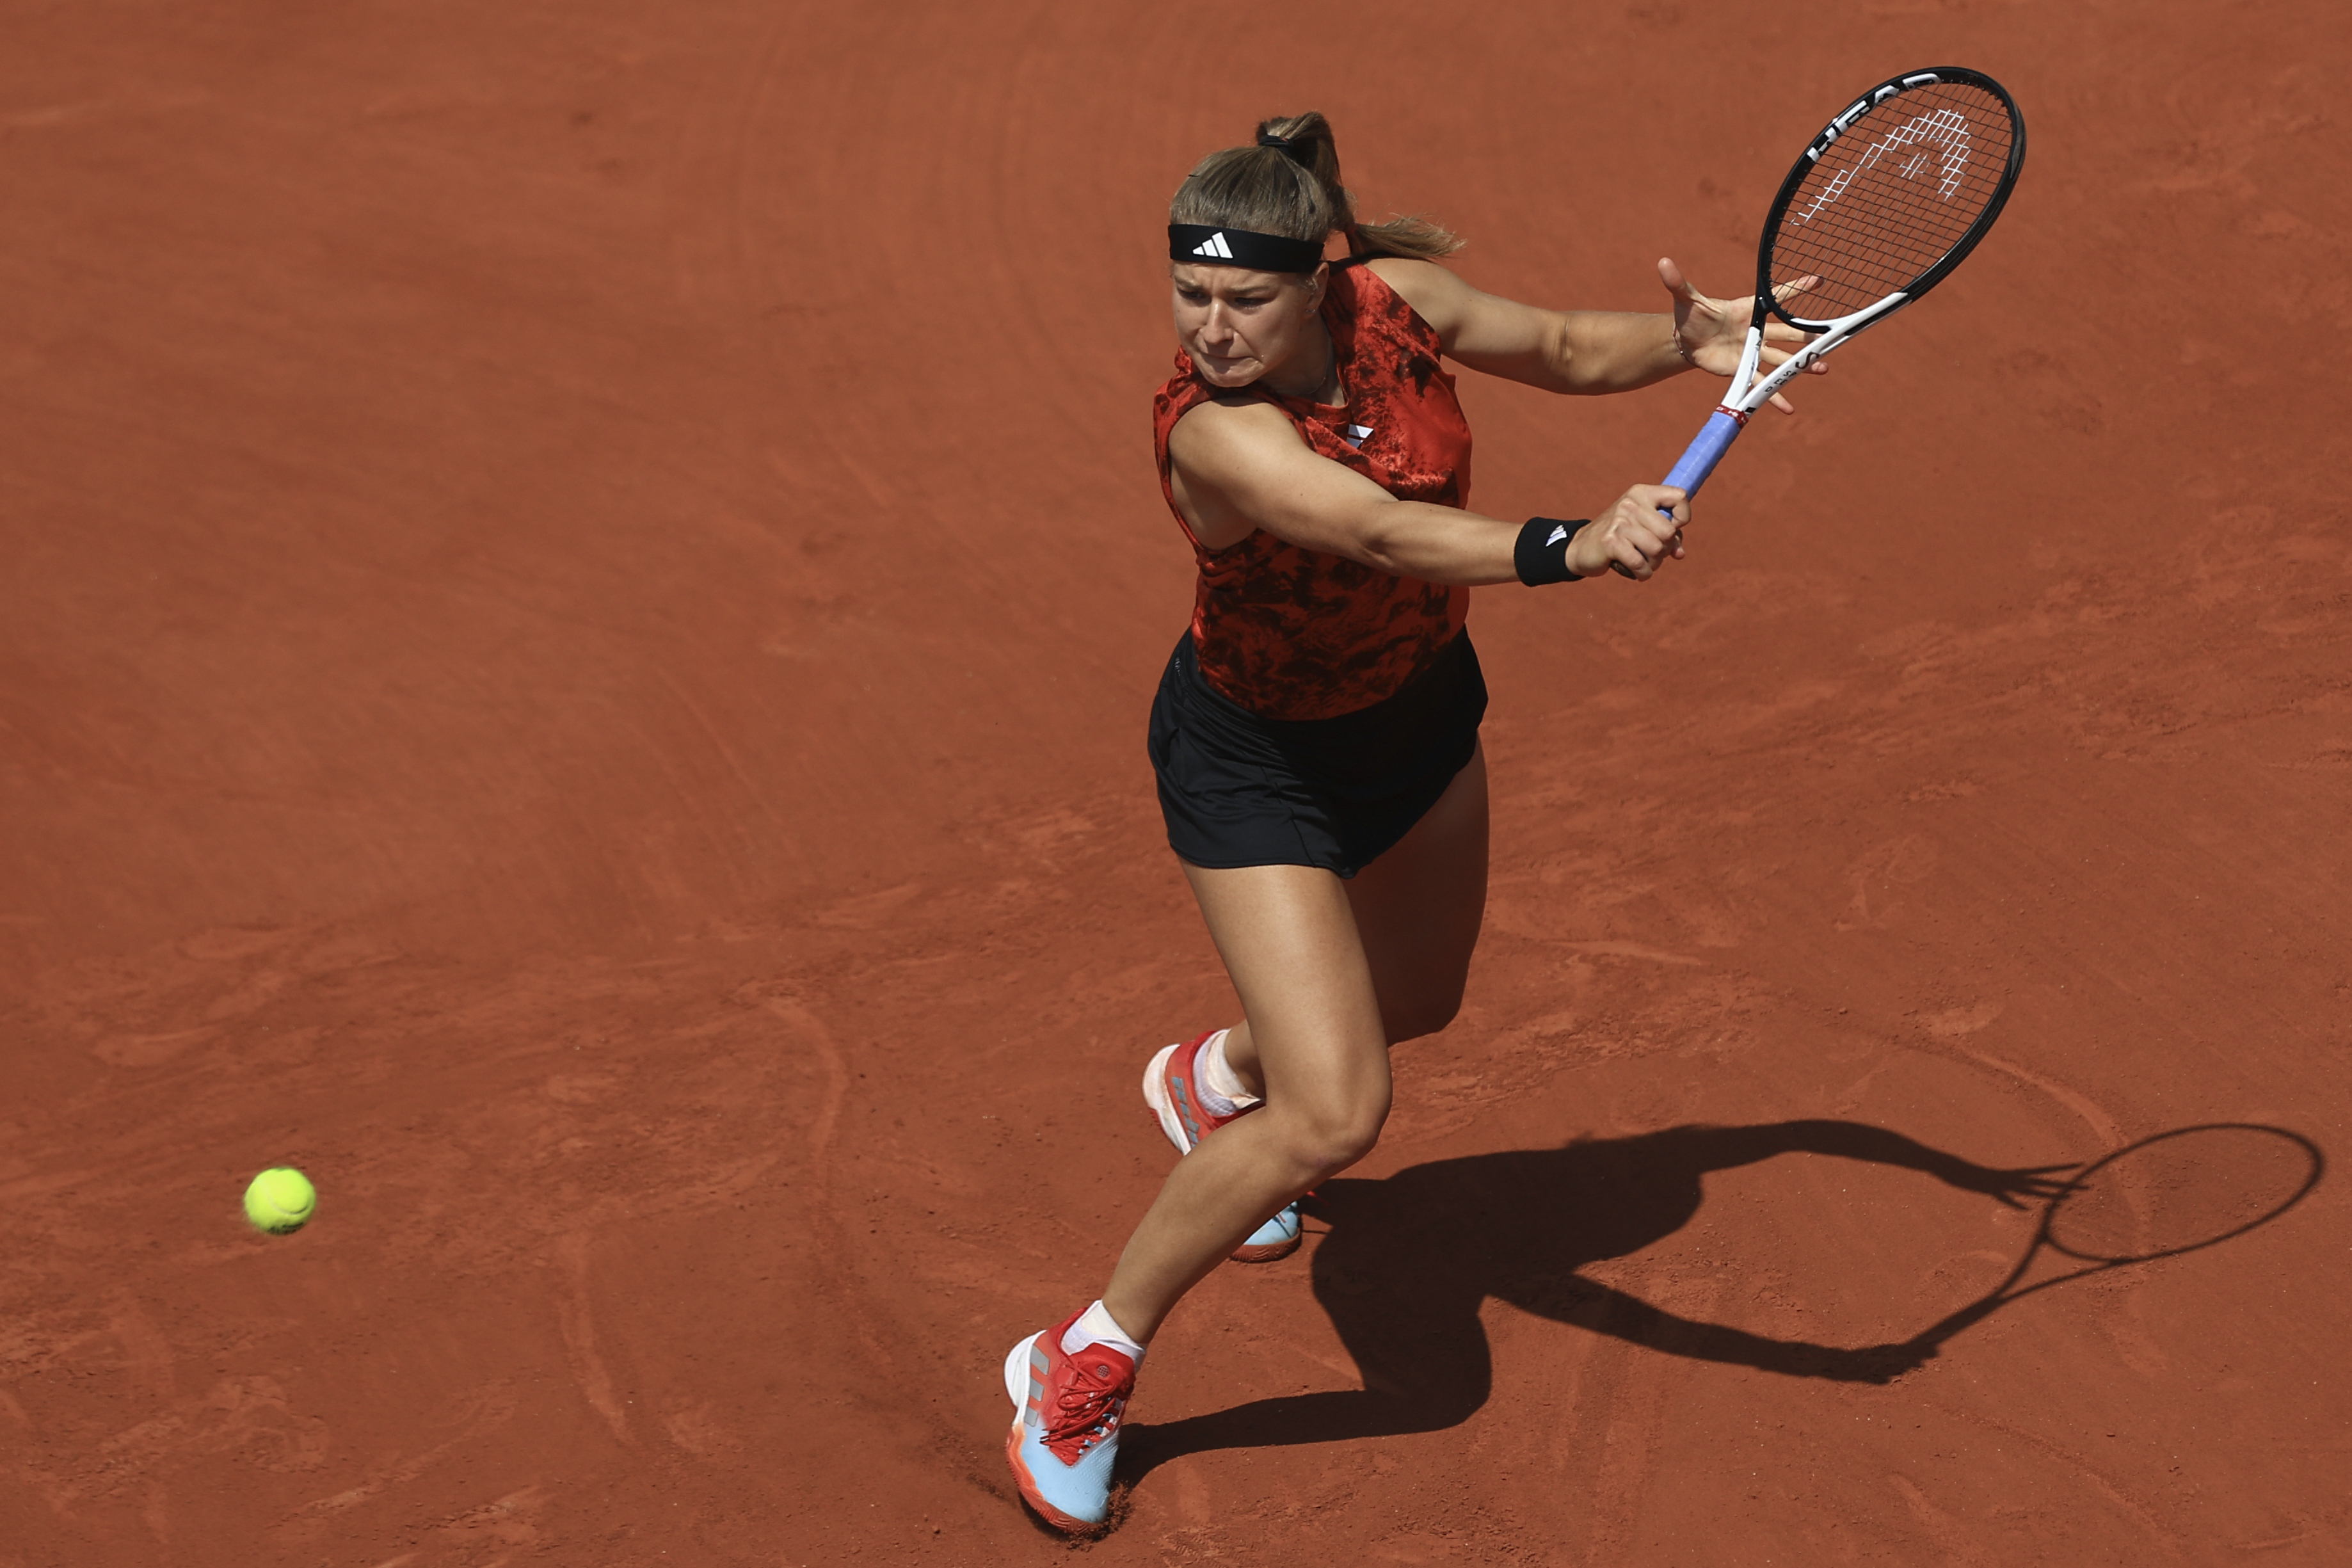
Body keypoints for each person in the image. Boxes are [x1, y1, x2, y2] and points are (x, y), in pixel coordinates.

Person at [1001, 111, 1820, 1533]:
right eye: (1188, 293)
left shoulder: (1397, 307)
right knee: (1341, 1108)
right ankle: (1082, 1356)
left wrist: (1692, 344)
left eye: (1242, 296)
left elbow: (1563, 348)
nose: (1210, 324)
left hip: (1418, 721)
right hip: (1255, 766)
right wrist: (1572, 545)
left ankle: (1214, 1078)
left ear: (1315, 281)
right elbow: (1376, 530)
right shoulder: (1215, 435)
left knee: (1416, 1002)